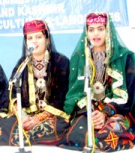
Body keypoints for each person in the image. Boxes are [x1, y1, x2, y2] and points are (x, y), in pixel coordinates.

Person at [58, 13, 135, 152]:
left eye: (100, 28)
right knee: (76, 135)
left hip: (118, 110)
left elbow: (128, 95)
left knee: (108, 133)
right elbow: (75, 92)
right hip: (90, 109)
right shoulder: (79, 58)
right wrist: (91, 112)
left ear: (108, 30)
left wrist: (106, 112)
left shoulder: (125, 57)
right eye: (91, 29)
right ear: (86, 32)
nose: (95, 33)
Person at [0, 20, 70, 146]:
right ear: (25, 42)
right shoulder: (22, 64)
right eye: (30, 38)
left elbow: (62, 96)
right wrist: (22, 115)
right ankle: (28, 136)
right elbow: (11, 93)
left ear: (47, 40)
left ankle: (24, 137)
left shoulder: (61, 62)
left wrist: (38, 118)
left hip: (50, 115)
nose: (34, 41)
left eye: (38, 37)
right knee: (3, 127)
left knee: (59, 127)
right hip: (27, 114)